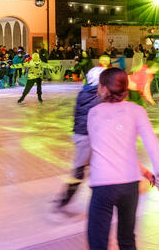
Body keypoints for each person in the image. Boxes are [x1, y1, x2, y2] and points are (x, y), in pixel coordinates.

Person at [86, 68, 159, 250]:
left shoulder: (94, 113)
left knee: (97, 240)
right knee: (127, 238)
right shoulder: (137, 111)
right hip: (129, 184)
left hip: (103, 184)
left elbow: (107, 150)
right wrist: (158, 171)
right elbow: (150, 142)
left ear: (104, 88)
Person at [55, 62, 107, 213]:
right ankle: (65, 199)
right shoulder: (96, 97)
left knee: (97, 166)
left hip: (82, 135)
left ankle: (103, 197)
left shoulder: (85, 92)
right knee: (79, 169)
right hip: (85, 138)